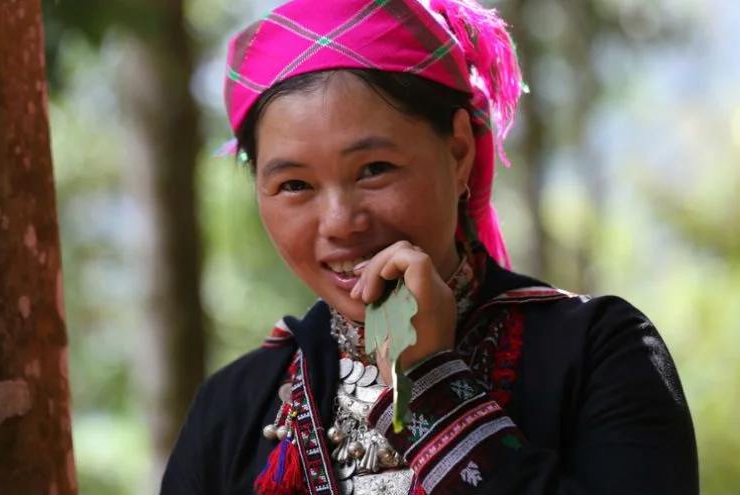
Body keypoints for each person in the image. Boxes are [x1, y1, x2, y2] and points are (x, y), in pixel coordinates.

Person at [160, 0, 699, 493]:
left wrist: (434, 389)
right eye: (295, 185)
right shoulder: (233, 406)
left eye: (374, 170)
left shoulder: (598, 350)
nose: (340, 222)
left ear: (459, 151)